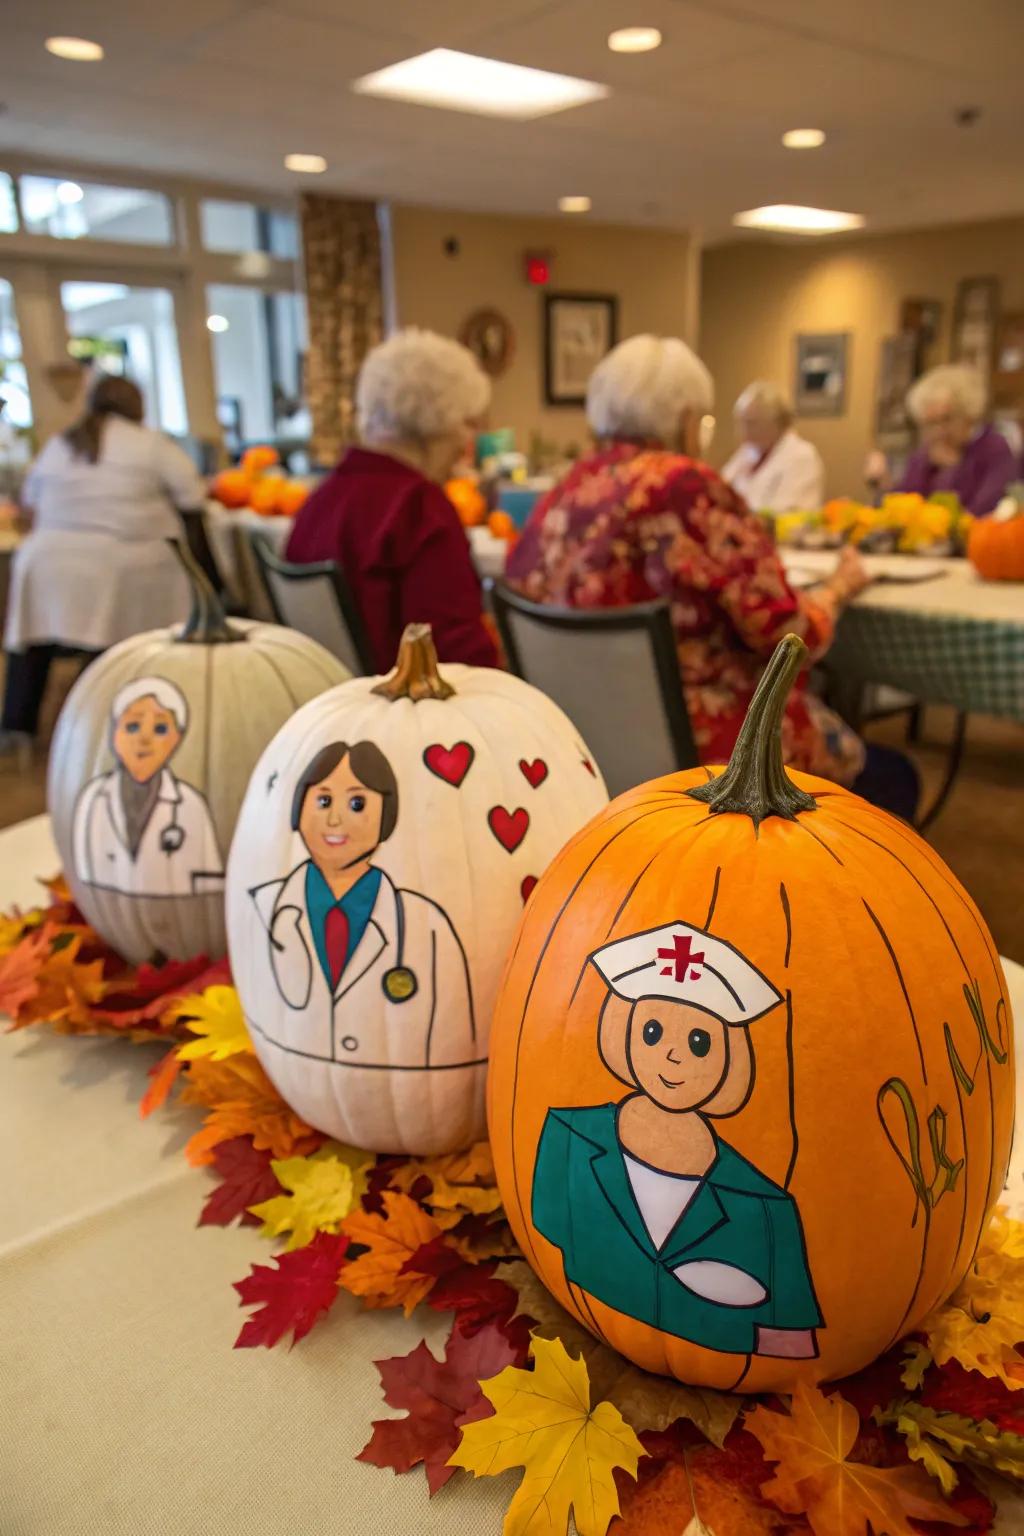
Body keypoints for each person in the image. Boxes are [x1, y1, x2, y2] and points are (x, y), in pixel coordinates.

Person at [506, 334, 919, 818]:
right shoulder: (685, 485)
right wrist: (838, 589)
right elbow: (788, 633)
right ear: (686, 420)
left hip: (584, 749)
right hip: (706, 759)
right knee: (895, 779)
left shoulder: (565, 489)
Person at [533, 919, 822, 1360]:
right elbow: (547, 1243)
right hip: (578, 1335)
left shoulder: (765, 1207)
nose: (673, 1055)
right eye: (653, 1032)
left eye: (700, 1043)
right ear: (624, 1029)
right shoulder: (569, 1137)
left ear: (732, 1058)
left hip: (728, 1380)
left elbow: (790, 1342)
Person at [248, 738, 478, 1066]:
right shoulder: (265, 908)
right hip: (293, 1077)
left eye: (357, 804)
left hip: (412, 1104)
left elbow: (457, 1046)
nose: (334, 820)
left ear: (387, 817)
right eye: (323, 800)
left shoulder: (427, 926)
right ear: (298, 809)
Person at [1, 375, 203, 744]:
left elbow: (29, 499)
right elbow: (193, 497)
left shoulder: (61, 443)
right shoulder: (150, 444)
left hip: (45, 559)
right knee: (109, 640)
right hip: (116, 562)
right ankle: (98, 720)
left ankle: (18, 725)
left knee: (35, 642)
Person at [285, 329, 498, 672]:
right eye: (467, 424)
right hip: (402, 715)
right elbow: (457, 655)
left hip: (328, 703)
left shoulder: (320, 501)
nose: (466, 443)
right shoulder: (419, 509)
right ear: (435, 422)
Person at [72, 676, 224, 897]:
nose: (144, 739)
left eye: (160, 729)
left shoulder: (191, 805)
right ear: (115, 735)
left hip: (183, 922)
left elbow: (211, 887)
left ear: (176, 739)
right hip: (106, 917)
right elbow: (81, 871)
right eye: (132, 726)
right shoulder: (92, 799)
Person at [865, 364, 1016, 516]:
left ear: (968, 415)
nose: (939, 431)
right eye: (930, 423)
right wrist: (884, 484)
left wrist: (952, 471)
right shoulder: (924, 456)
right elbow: (903, 508)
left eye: (946, 419)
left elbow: (980, 512)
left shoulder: (995, 449)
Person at [722, 380, 825, 512]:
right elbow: (722, 488)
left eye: (751, 424)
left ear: (775, 422)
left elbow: (791, 513)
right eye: (741, 423)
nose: (742, 433)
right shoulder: (748, 453)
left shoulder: (802, 457)